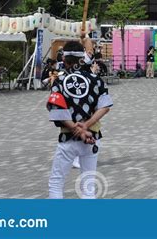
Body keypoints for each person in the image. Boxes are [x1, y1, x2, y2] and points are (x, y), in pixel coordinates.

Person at [47, 39, 113, 199]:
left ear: (64, 59)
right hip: (92, 136)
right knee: (88, 185)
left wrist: (76, 129)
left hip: (68, 137)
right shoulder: (95, 80)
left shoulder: (60, 81)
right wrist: (86, 126)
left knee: (56, 182)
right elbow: (105, 106)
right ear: (82, 59)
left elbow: (57, 109)